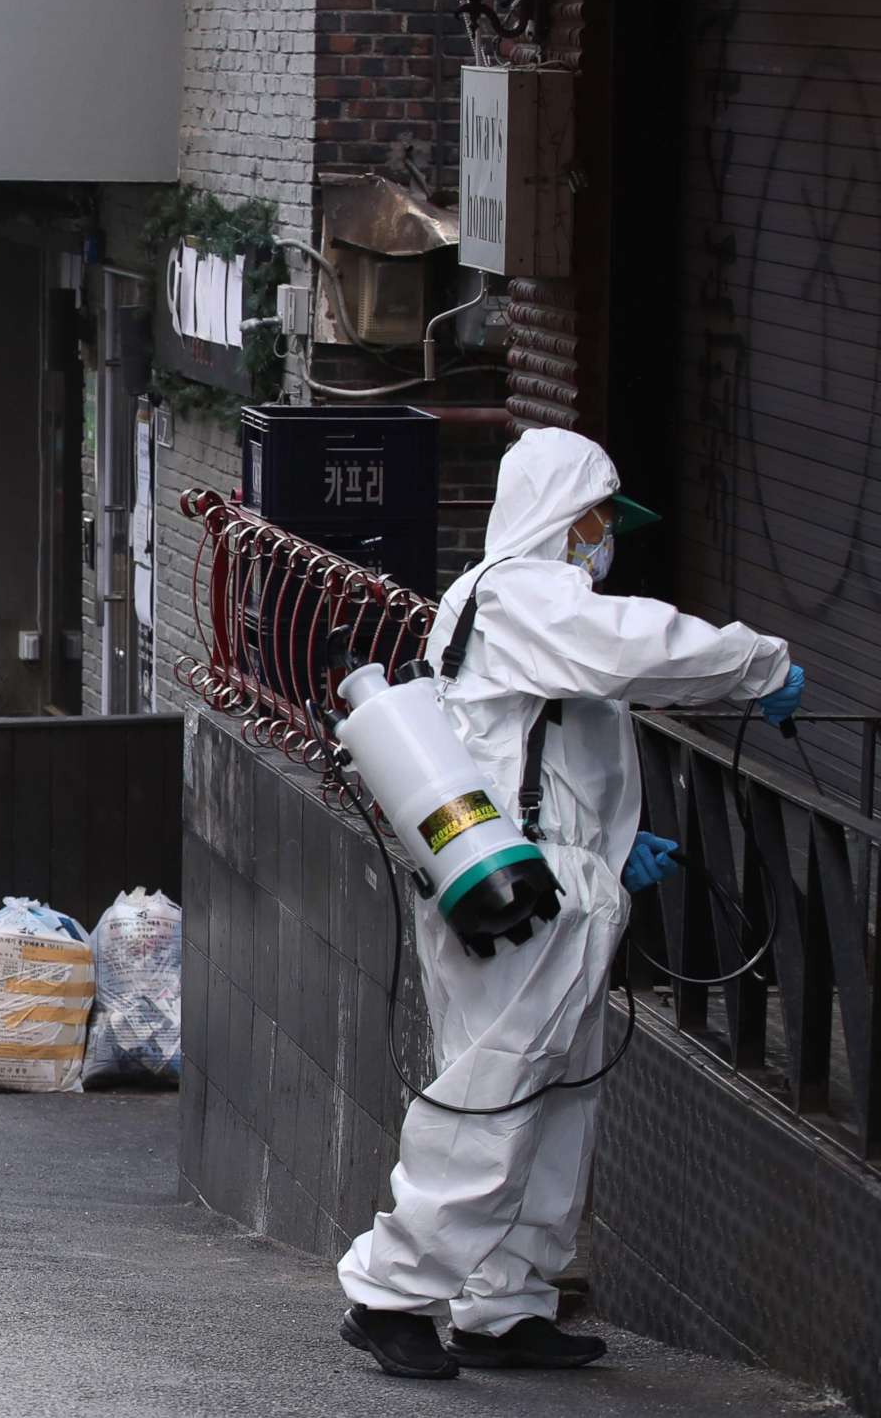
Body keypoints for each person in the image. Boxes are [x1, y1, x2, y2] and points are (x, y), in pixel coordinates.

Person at [338, 428, 802, 1378]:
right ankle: (391, 1290)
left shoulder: (489, 599)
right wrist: (759, 664)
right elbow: (635, 649)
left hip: (530, 878)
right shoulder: (526, 596)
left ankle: (504, 1303)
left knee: (557, 1094)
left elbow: (526, 744)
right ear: (563, 511)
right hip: (527, 892)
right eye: (599, 516)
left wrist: (616, 849)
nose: (606, 537)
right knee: (498, 1089)